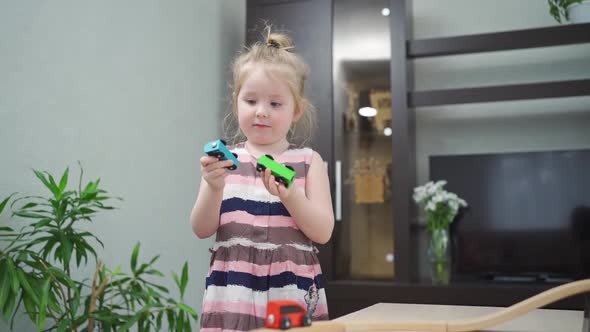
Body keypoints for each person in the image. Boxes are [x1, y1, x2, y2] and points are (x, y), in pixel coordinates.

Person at [190, 27, 334, 332]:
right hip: (233, 292)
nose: (261, 112)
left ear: (297, 110)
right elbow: (201, 229)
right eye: (251, 101)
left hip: (289, 290)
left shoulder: (309, 161)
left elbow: (322, 232)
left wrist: (292, 196)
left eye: (275, 104)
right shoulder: (223, 161)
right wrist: (214, 188)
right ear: (236, 102)